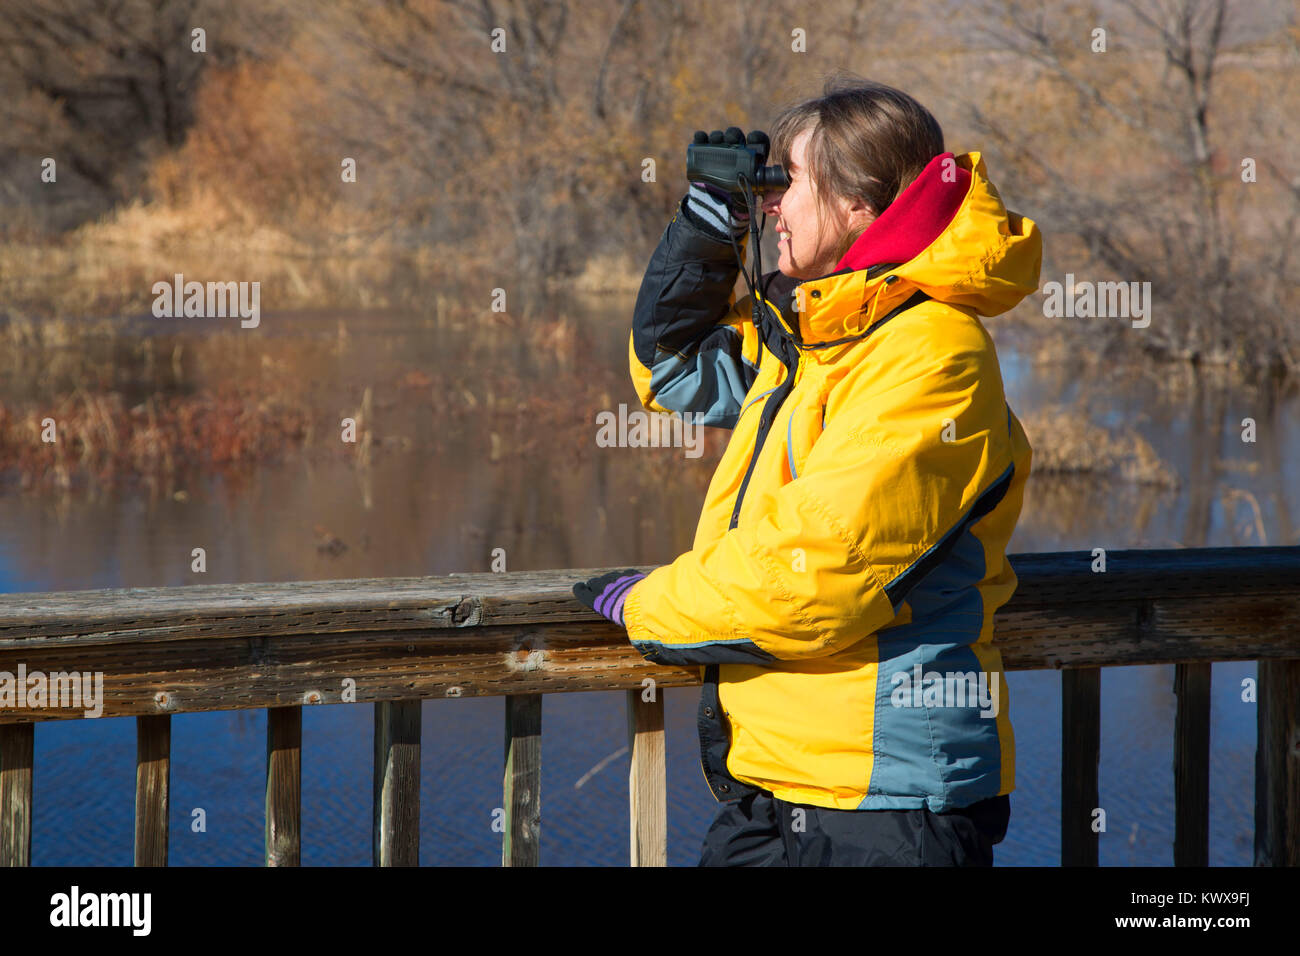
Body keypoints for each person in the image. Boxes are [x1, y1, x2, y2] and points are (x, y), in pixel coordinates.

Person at [573, 76, 1040, 866]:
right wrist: (707, 224)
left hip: (884, 799)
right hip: (781, 780)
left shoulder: (929, 352)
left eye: (788, 183)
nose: (773, 205)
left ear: (861, 204)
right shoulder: (817, 338)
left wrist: (651, 606)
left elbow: (819, 571)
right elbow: (674, 369)